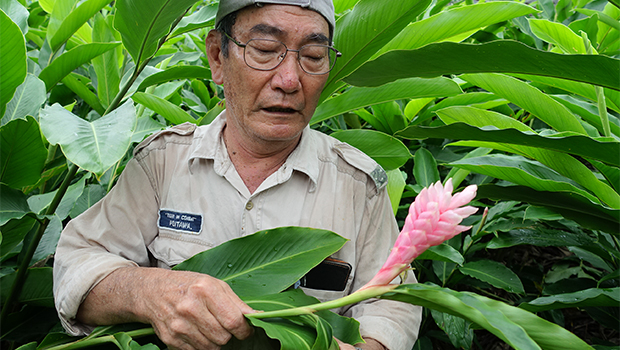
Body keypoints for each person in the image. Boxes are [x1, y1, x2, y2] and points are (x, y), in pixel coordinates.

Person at [52, 0, 422, 349]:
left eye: (312, 56)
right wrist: (150, 292)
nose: (289, 80)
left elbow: (391, 305)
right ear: (217, 56)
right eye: (263, 50)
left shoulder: (358, 184)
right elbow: (78, 263)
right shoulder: (162, 163)